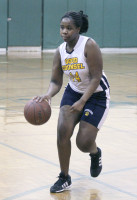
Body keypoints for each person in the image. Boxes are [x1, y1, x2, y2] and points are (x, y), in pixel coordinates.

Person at [34, 10, 110, 193]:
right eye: (62, 28)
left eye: (69, 28)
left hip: (97, 95)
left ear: (78, 29)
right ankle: (64, 177)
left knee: (83, 142)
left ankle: (94, 153)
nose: (64, 31)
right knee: (62, 131)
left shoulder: (89, 45)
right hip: (74, 91)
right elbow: (56, 81)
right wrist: (48, 94)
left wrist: (83, 101)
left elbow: (95, 77)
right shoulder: (60, 51)